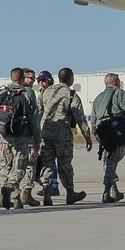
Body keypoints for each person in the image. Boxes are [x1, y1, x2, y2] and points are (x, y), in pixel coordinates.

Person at [34, 69, 92, 205]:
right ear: (70, 79)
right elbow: (80, 118)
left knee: (47, 164)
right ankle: (70, 193)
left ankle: (47, 195)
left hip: (45, 134)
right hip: (62, 135)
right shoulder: (71, 94)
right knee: (64, 165)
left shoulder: (45, 92)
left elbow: (38, 113)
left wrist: (36, 134)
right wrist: (87, 136)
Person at [0, 67, 39, 209]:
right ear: (23, 79)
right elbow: (34, 119)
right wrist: (37, 138)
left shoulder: (2, 94)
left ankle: (8, 196)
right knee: (20, 167)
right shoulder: (27, 94)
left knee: (5, 166)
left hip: (5, 135)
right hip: (22, 137)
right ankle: (11, 187)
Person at [91, 73, 125, 203]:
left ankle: (114, 191)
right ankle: (106, 192)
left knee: (108, 160)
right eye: (118, 81)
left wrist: (96, 136)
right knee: (112, 161)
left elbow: (93, 120)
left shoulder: (98, 98)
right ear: (114, 82)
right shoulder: (120, 94)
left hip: (102, 133)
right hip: (115, 132)